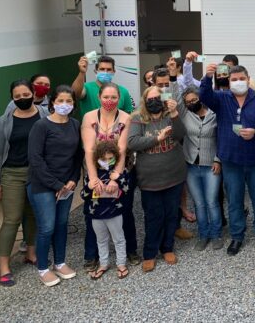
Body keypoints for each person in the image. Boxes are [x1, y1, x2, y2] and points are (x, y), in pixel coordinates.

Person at [200, 64, 255, 256]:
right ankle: (237, 236)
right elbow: (204, 96)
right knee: (234, 200)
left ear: (248, 79)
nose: (238, 82)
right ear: (228, 81)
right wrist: (207, 77)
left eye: (241, 78)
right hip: (231, 160)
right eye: (234, 79)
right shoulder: (221, 98)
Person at [0, 79, 47, 286]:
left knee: (33, 215)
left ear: (33, 94)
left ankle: (31, 253)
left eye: (26, 95)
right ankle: (4, 266)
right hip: (12, 174)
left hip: (37, 174)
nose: (22, 99)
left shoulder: (44, 115)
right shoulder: (4, 121)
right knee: (12, 219)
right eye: (17, 97)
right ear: (12, 98)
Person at [27, 85, 83, 287]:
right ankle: (43, 268)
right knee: (47, 227)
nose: (64, 105)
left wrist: (73, 180)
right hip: (43, 185)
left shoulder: (75, 125)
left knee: (61, 224)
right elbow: (35, 159)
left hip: (67, 185)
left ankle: (59, 262)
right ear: (52, 102)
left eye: (69, 101)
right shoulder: (41, 126)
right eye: (60, 101)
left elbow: (78, 156)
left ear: (74, 104)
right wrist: (57, 185)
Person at [128, 86, 187, 272]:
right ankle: (150, 253)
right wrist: (157, 139)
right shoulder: (138, 118)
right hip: (150, 179)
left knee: (171, 214)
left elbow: (180, 135)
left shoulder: (170, 116)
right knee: (154, 216)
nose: (154, 102)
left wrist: (175, 113)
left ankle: (167, 248)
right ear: (145, 101)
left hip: (174, 175)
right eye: (150, 99)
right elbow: (132, 142)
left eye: (157, 98)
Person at [80, 82, 138, 272]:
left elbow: (122, 149)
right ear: (99, 97)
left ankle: (130, 250)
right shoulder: (89, 117)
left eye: (114, 97)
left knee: (124, 210)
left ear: (119, 99)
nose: (109, 101)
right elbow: (89, 149)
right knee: (93, 212)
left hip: (119, 169)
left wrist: (116, 178)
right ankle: (92, 255)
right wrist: (93, 178)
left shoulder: (126, 118)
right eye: (106, 97)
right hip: (95, 170)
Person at [171, 85, 222, 251]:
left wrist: (218, 160)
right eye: (188, 101)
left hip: (211, 165)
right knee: (199, 203)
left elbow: (221, 138)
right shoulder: (186, 114)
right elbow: (175, 97)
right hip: (191, 166)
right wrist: (173, 77)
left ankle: (216, 234)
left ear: (201, 98)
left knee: (212, 202)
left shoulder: (215, 114)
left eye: (194, 99)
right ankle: (203, 235)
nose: (191, 103)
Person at [80, 140, 129, 280]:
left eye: (110, 158)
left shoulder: (119, 172)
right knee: (101, 240)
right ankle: (103, 264)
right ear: (97, 158)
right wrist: (89, 186)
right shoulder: (92, 175)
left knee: (118, 239)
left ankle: (121, 264)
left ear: (116, 157)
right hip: (96, 214)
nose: (107, 161)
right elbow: (83, 195)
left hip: (114, 213)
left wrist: (119, 178)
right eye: (103, 159)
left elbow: (127, 189)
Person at [155, 68, 195, 237]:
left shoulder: (176, 103)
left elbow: (181, 131)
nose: (164, 88)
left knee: (176, 190)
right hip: (155, 157)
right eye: (160, 85)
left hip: (175, 153)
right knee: (157, 199)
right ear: (152, 84)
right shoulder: (148, 104)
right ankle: (159, 233)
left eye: (167, 84)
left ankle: (176, 227)